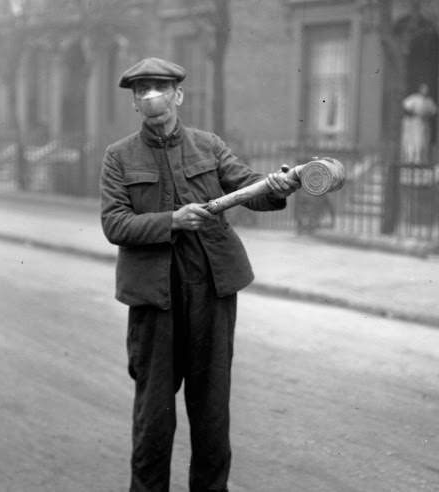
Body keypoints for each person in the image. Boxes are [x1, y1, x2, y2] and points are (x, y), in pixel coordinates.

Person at [99, 57, 300, 491]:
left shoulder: (208, 146)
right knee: (153, 422)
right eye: (142, 90)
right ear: (135, 103)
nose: (151, 96)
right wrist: (171, 220)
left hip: (211, 292)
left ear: (179, 96)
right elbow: (114, 224)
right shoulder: (118, 157)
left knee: (212, 418)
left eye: (160, 88)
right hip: (155, 301)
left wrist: (278, 186)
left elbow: (248, 186)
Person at [400, 83, 437, 164]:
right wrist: (413, 114)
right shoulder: (414, 98)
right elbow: (406, 106)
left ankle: (420, 160)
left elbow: (433, 111)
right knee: (412, 141)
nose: (425, 91)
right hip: (413, 123)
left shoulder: (429, 101)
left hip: (424, 124)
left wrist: (427, 115)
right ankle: (410, 159)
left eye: (426, 90)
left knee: (423, 142)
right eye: (423, 89)